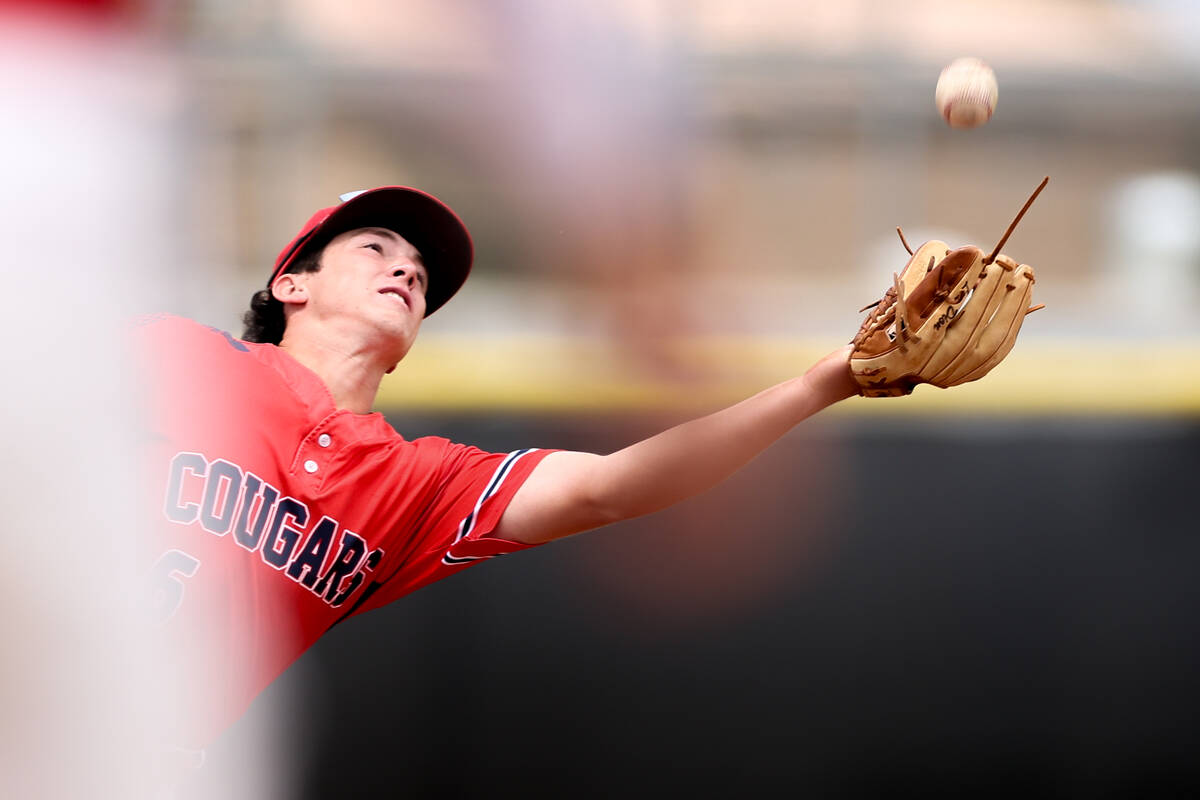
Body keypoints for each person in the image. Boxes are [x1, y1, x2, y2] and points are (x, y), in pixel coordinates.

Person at [135, 186, 860, 751]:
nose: (406, 269)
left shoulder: (414, 483)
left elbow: (609, 488)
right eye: (376, 247)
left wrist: (820, 384)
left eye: (419, 274)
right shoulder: (178, 355)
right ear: (293, 283)